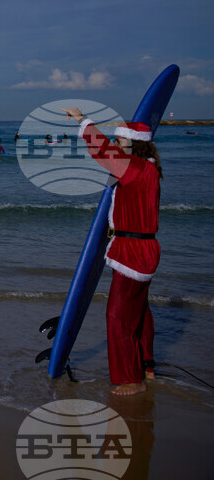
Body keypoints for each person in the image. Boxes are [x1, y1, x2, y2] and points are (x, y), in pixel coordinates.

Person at [62, 107, 161, 396]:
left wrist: (82, 120)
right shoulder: (149, 169)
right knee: (138, 312)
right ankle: (147, 366)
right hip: (146, 249)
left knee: (117, 316)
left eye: (121, 141)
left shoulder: (134, 168)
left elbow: (102, 150)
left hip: (132, 252)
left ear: (135, 145)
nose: (116, 145)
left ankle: (131, 380)